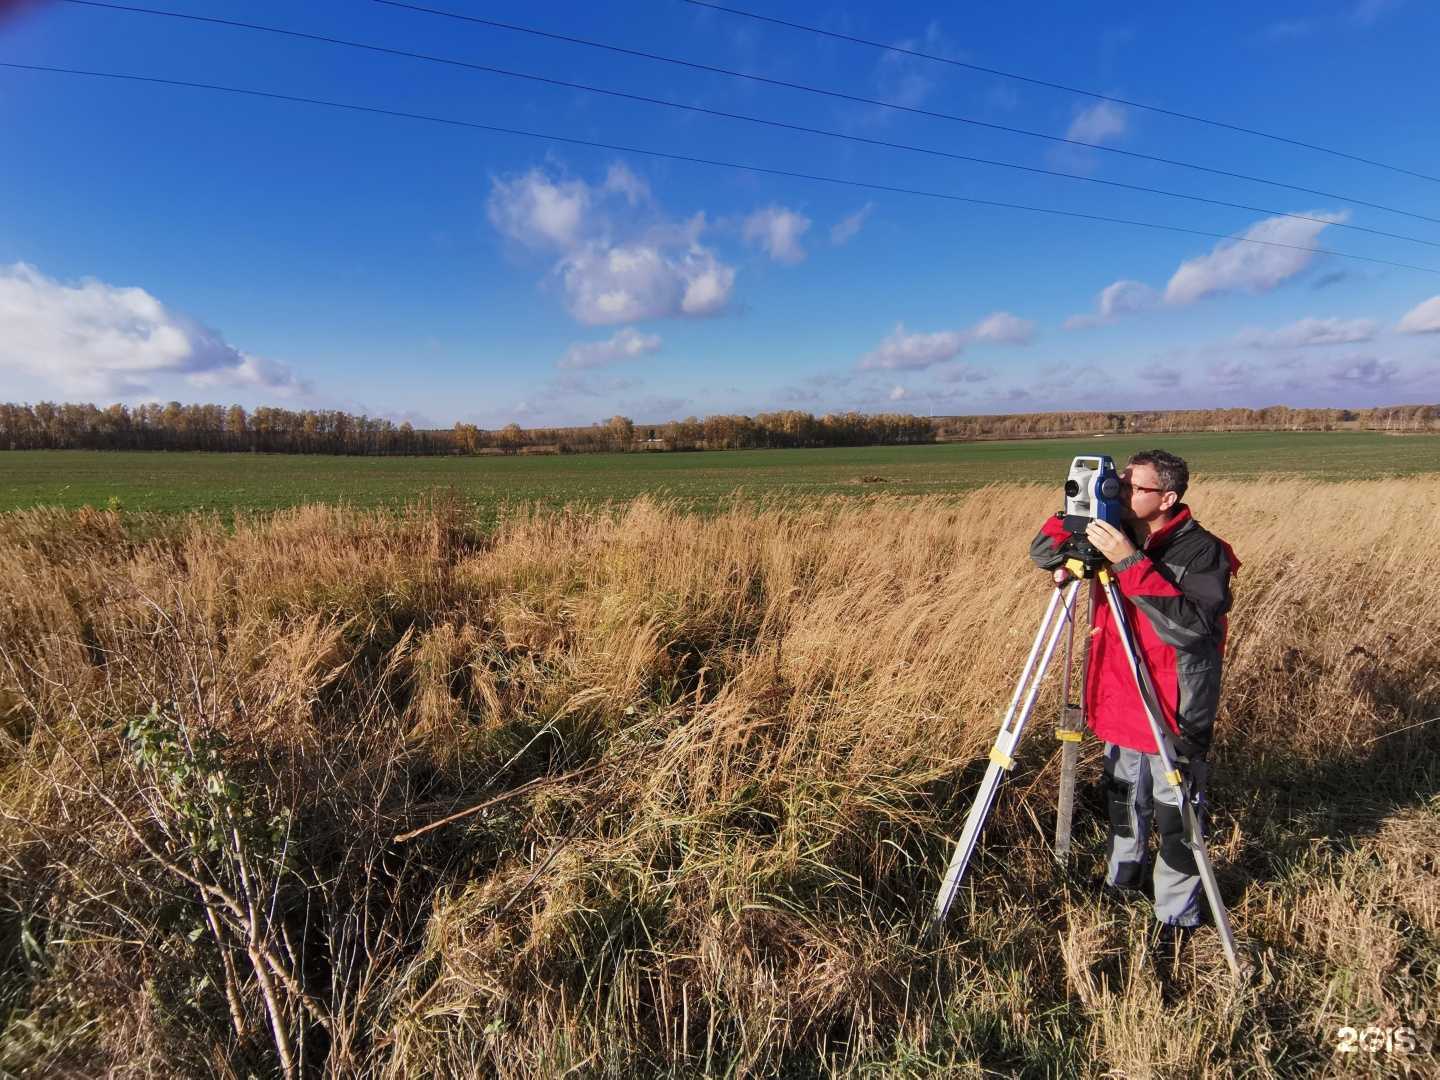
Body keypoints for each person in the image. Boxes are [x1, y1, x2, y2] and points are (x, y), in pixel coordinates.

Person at [1029, 449, 1240, 933]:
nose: (1119, 493)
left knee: (1177, 818)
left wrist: (1129, 561)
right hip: (1120, 699)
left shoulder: (1201, 551)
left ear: (1167, 498)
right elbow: (1042, 553)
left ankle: (1176, 916)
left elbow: (1191, 629)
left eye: (1132, 487)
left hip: (1172, 706)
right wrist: (1078, 511)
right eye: (1118, 483)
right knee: (1123, 802)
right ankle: (1121, 882)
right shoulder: (1111, 532)